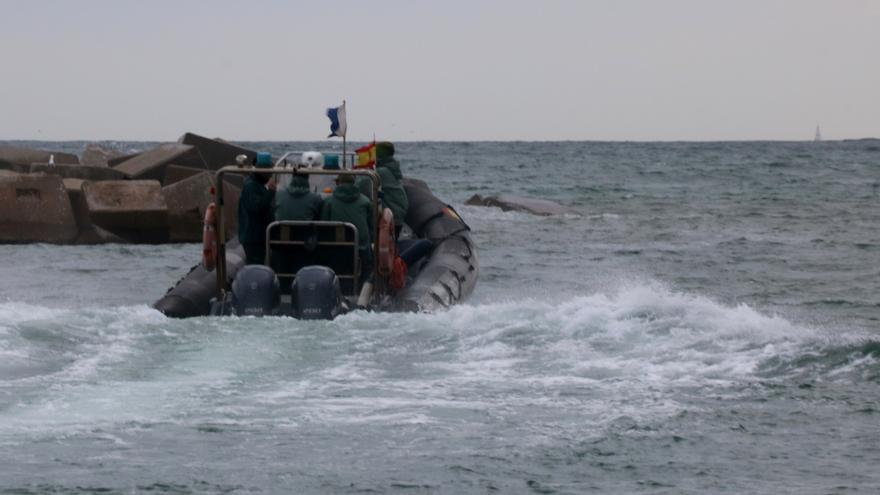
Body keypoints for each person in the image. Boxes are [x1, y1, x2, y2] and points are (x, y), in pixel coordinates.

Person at [321, 173, 374, 280]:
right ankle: (365, 285)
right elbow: (372, 226)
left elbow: (323, 226)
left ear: (338, 183)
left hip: (336, 248)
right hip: (361, 247)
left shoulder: (328, 202)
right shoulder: (365, 201)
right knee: (368, 258)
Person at [357, 141, 408, 236]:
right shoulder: (392, 168)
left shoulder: (381, 172)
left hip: (390, 218)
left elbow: (361, 187)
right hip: (397, 215)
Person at [238, 152, 276, 264]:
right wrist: (270, 192)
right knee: (255, 263)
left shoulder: (257, 184)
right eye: (269, 172)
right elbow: (255, 207)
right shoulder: (251, 186)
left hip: (258, 234)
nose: (271, 175)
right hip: (253, 236)